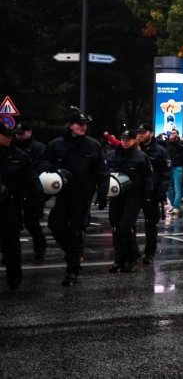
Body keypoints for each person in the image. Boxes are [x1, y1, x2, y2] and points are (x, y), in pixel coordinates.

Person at [41, 111, 110, 286]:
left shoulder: (92, 145)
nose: (83, 127)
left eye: (85, 124)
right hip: (63, 194)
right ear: (70, 125)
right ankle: (73, 253)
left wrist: (103, 194)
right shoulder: (56, 144)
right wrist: (50, 168)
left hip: (83, 194)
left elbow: (102, 172)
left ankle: (72, 271)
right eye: (79, 124)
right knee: (56, 226)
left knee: (76, 230)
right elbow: (41, 162)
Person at [0, 123, 43, 290]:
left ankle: (14, 275)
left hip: (9, 205)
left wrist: (37, 201)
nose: (11, 136)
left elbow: (31, 180)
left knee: (11, 242)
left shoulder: (19, 156)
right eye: (6, 134)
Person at [106, 129, 154, 273]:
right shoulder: (112, 156)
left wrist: (147, 195)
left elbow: (148, 177)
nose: (125, 142)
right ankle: (119, 259)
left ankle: (130, 258)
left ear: (134, 140)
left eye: (128, 139)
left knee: (125, 226)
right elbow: (104, 173)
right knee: (115, 226)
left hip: (134, 195)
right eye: (123, 139)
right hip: (116, 195)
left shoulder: (141, 157)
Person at [132, 124, 171, 264]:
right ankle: (132, 251)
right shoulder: (133, 149)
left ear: (151, 133)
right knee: (128, 223)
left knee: (150, 223)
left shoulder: (159, 151)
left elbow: (166, 174)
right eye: (139, 132)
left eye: (143, 132)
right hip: (134, 191)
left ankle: (149, 252)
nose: (140, 135)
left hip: (152, 192)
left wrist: (161, 191)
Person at [13, 122, 48, 259]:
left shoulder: (39, 148)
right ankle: (11, 253)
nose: (19, 135)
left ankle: (40, 246)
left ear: (30, 132)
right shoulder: (12, 147)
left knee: (31, 222)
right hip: (16, 189)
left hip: (31, 188)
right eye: (18, 133)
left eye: (22, 133)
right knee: (12, 223)